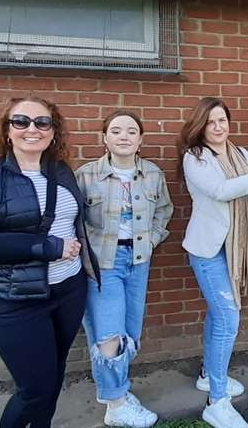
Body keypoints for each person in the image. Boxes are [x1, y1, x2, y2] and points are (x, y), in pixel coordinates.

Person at [0, 97, 100, 428]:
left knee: (52, 380)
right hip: (16, 300)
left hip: (68, 290)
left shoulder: (61, 172)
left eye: (42, 122)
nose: (32, 129)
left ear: (53, 132)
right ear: (7, 131)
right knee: (34, 389)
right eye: (21, 121)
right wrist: (49, 248)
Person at [178, 97, 248, 428]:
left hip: (236, 247)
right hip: (208, 250)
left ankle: (209, 375)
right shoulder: (194, 158)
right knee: (227, 319)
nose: (218, 127)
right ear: (200, 126)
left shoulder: (239, 154)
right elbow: (222, 190)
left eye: (222, 120)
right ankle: (217, 401)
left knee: (218, 315)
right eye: (210, 122)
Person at [75, 110, 173, 428]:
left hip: (138, 261)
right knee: (108, 336)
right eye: (116, 131)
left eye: (131, 131)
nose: (124, 136)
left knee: (130, 333)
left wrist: (152, 241)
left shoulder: (153, 174)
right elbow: (72, 222)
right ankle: (116, 404)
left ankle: (115, 391)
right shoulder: (86, 176)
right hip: (103, 264)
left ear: (141, 139)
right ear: (104, 138)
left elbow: (164, 210)